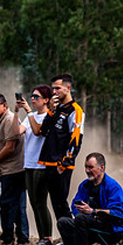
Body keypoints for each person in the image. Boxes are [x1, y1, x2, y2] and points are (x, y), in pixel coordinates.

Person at [57, 153, 123, 245]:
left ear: (101, 168)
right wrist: (80, 210)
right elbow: (75, 205)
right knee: (63, 221)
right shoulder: (84, 185)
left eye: (90, 167)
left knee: (81, 219)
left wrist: (93, 211)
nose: (87, 171)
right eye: (86, 167)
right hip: (88, 227)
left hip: (111, 228)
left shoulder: (113, 186)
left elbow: (118, 213)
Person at [38, 73, 84, 221]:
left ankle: (71, 239)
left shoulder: (75, 110)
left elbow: (76, 139)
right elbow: (43, 131)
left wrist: (65, 163)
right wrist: (50, 111)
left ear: (68, 88)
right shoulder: (57, 108)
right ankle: (65, 238)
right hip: (49, 162)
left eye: (57, 88)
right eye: (53, 89)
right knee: (55, 204)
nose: (54, 92)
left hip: (61, 164)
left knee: (61, 203)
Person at [0, 94, 29, 245]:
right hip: (8, 169)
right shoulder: (0, 121)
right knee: (17, 205)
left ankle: (9, 239)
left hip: (14, 170)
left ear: (5, 105)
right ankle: (21, 238)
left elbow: (10, 147)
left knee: (8, 206)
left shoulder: (9, 119)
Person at [17, 85, 54, 245]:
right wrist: (16, 111)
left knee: (40, 201)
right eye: (31, 96)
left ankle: (48, 236)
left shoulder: (49, 116)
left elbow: (38, 131)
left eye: (36, 97)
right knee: (33, 202)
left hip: (42, 165)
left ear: (46, 100)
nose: (32, 99)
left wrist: (29, 112)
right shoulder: (29, 117)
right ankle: (41, 237)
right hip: (29, 164)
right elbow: (17, 131)